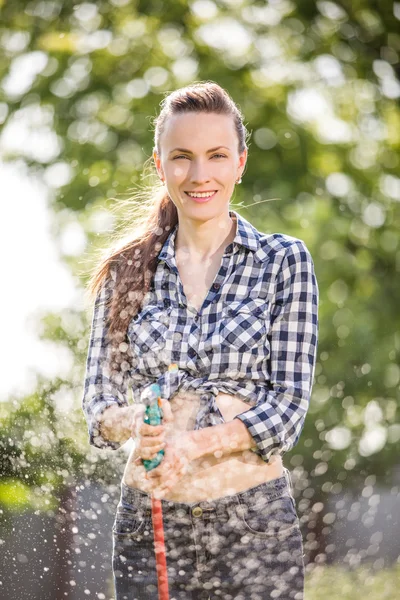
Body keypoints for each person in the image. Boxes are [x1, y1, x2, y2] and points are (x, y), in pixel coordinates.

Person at [82, 81, 319, 600]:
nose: (199, 174)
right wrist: (136, 422)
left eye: (216, 155)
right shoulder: (126, 271)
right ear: (159, 164)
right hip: (151, 526)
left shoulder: (284, 261)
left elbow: (287, 409)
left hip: (254, 525)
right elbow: (98, 405)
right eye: (182, 157)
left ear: (240, 163)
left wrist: (189, 444)